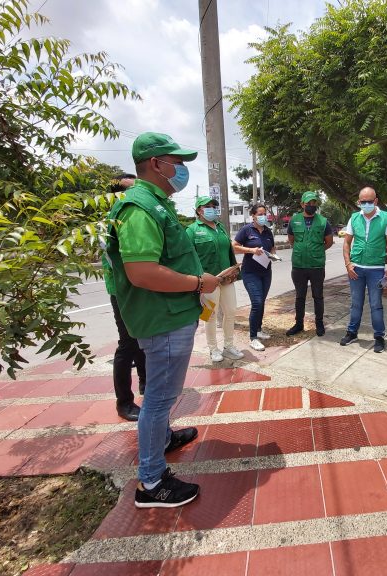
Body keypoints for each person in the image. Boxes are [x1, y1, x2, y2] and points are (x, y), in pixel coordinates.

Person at [106, 132, 221, 508]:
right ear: (156, 164)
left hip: (170, 314)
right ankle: (152, 482)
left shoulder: (156, 203)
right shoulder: (139, 208)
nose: (183, 169)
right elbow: (141, 271)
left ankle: (164, 439)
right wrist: (200, 282)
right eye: (178, 162)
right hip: (163, 319)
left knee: (160, 397)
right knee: (159, 399)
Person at [103, 173, 146, 421]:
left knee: (143, 338)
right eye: (129, 190)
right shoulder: (110, 223)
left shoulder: (134, 217)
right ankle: (124, 402)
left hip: (141, 289)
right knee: (127, 343)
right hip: (122, 291)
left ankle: (145, 383)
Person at [340, 187, 387, 353]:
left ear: (376, 201)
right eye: (362, 202)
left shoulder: (385, 218)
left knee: (375, 304)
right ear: (358, 202)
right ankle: (352, 333)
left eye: (369, 201)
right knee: (356, 303)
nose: (365, 204)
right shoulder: (354, 218)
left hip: (376, 269)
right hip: (356, 268)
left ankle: (379, 336)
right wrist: (348, 264)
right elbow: (346, 243)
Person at [187, 196, 244, 363]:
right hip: (207, 282)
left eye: (214, 205)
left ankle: (229, 345)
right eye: (207, 206)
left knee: (231, 311)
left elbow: (228, 252)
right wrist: (198, 279)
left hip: (226, 279)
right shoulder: (191, 230)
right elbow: (189, 257)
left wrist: (234, 270)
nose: (212, 208)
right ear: (199, 210)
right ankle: (213, 348)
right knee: (208, 315)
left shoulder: (221, 228)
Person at [286, 191, 334, 337]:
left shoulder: (323, 221)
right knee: (299, 296)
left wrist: (316, 251)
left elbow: (329, 242)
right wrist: (303, 250)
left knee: (318, 296)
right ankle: (298, 324)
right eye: (309, 203)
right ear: (302, 204)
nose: (311, 206)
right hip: (299, 266)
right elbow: (291, 240)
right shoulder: (294, 220)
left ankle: (319, 323)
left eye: (314, 203)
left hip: (317, 265)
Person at [233, 203, 276, 351]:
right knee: (256, 303)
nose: (263, 216)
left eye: (265, 214)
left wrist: (273, 256)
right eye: (260, 214)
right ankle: (253, 338)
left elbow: (272, 248)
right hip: (250, 272)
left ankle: (258, 329)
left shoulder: (268, 231)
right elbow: (234, 246)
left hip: (266, 271)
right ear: (253, 215)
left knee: (262, 302)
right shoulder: (246, 230)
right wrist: (251, 250)